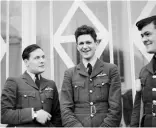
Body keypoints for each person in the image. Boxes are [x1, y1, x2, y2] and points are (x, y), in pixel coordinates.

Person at [60, 25, 122, 127]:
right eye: (81, 43)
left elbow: (116, 107)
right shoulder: (70, 74)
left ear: (96, 43)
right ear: (77, 46)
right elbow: (65, 108)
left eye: (88, 42)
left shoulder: (111, 70)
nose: (85, 47)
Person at [1, 44, 62, 127]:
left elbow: (57, 117)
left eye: (43, 57)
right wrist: (34, 114)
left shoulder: (51, 84)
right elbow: (4, 114)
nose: (42, 61)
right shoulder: (14, 82)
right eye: (37, 58)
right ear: (26, 62)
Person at [130, 15, 156, 127]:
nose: (144, 40)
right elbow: (138, 108)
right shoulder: (144, 72)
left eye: (148, 34)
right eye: (142, 36)